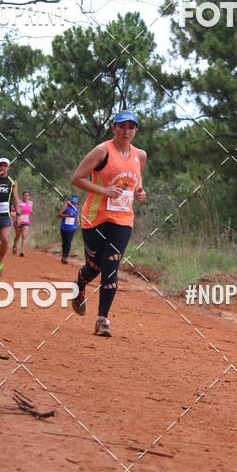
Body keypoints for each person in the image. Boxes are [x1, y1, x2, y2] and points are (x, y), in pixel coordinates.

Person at [70, 110, 146, 337]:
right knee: (93, 267)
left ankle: (102, 320)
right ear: (114, 128)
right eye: (122, 126)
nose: (126, 131)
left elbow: (136, 178)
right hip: (95, 217)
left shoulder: (139, 155)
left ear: (136, 130)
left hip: (123, 219)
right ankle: (80, 285)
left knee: (111, 265)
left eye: (131, 127)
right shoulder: (102, 151)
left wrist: (140, 191)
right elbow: (77, 178)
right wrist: (104, 191)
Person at [58, 196, 79, 264]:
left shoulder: (76, 207)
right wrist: (68, 215)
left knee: (68, 241)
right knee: (64, 242)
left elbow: (77, 215)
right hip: (64, 227)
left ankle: (66, 257)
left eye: (75, 202)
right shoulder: (66, 206)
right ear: (70, 201)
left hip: (72, 228)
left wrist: (78, 221)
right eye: (72, 202)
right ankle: (63, 255)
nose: (74, 203)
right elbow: (59, 215)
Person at [13, 191, 33, 257]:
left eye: (27, 195)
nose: (26, 197)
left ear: (29, 197)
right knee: (17, 235)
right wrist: (18, 210)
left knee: (24, 236)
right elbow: (13, 208)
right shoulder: (18, 202)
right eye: (25, 195)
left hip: (26, 221)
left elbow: (30, 210)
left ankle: (22, 251)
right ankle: (15, 245)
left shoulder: (31, 203)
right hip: (18, 220)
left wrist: (32, 212)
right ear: (22, 196)